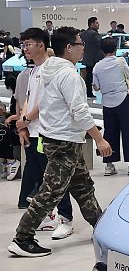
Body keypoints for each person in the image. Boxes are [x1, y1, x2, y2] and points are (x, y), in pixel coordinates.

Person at [7, 27, 113, 258]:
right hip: (64, 141)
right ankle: (22, 238)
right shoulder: (69, 75)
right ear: (69, 48)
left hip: (60, 139)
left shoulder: (48, 70)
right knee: (51, 192)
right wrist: (99, 139)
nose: (83, 47)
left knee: (83, 187)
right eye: (80, 43)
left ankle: (102, 228)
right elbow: (79, 111)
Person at [13, 28, 75, 232]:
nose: (25, 48)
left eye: (28, 44)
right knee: (42, 179)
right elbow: (28, 99)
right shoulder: (33, 70)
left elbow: (46, 101)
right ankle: (50, 216)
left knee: (56, 180)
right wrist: (22, 124)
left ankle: (65, 217)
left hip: (47, 131)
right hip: (32, 131)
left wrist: (26, 120)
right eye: (23, 45)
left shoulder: (51, 68)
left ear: (41, 45)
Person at [92, 37, 129, 177]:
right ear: (115, 49)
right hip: (123, 99)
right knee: (128, 132)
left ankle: (109, 165)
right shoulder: (121, 61)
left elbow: (96, 87)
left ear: (102, 50)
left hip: (107, 102)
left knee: (109, 133)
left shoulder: (97, 66)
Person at [80, 17, 103, 98]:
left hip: (87, 57)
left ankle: (88, 92)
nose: (98, 24)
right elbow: (100, 44)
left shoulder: (83, 34)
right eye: (96, 23)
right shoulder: (95, 34)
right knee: (94, 75)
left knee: (88, 75)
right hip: (95, 58)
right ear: (92, 24)